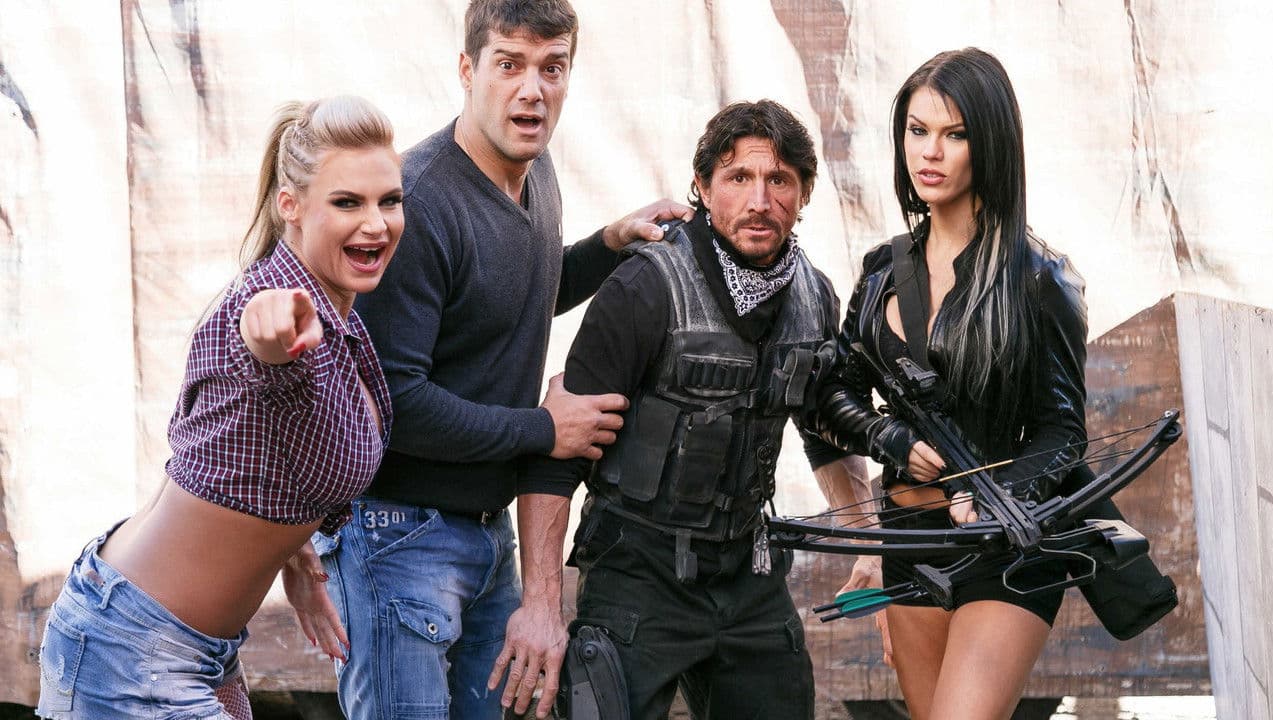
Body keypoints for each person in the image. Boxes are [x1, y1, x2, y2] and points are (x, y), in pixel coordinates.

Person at [308, 2, 692, 718]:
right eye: (509, 65)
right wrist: (543, 430)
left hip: (486, 535)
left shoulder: (533, 171)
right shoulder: (417, 204)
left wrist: (608, 244)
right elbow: (394, 404)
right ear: (467, 69)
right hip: (398, 537)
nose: (532, 90)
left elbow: (512, 295)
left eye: (552, 68)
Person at [35, 95, 404, 719]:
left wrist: (294, 554)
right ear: (290, 205)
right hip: (129, 651)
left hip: (195, 649)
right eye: (347, 203)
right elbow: (262, 345)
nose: (376, 224)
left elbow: (258, 455)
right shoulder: (274, 305)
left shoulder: (343, 319)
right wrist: (269, 331)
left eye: (388, 201)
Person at [509, 99, 859, 720]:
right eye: (738, 177)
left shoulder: (815, 298)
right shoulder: (644, 286)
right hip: (637, 571)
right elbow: (555, 460)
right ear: (701, 186)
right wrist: (540, 606)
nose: (759, 200)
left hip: (748, 571)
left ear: (804, 192)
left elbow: (822, 428)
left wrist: (864, 544)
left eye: (779, 180)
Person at [814, 47, 1089, 720]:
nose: (930, 152)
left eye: (955, 134)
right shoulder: (882, 270)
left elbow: (1062, 428)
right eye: (918, 130)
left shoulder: (1039, 278)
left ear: (989, 144)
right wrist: (888, 438)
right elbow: (834, 394)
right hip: (909, 538)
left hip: (1005, 544)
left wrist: (1004, 499)